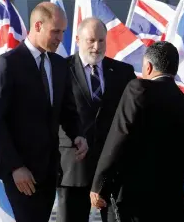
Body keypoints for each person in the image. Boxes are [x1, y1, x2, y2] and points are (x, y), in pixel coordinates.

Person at [90, 41, 184, 222]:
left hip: (133, 205)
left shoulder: (138, 91)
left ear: (149, 67)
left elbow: (118, 139)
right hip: (170, 208)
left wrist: (99, 185)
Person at [0, 2, 88, 222]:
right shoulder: (7, 65)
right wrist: (16, 166)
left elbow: (67, 111)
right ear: (38, 26)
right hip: (20, 171)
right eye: (56, 31)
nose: (60, 38)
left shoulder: (60, 65)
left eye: (63, 32)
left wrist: (77, 134)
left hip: (49, 170)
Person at [57, 17, 136, 222]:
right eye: (91, 40)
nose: (96, 46)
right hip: (74, 167)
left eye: (101, 41)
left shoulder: (123, 72)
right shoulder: (61, 70)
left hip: (112, 167)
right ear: (77, 39)